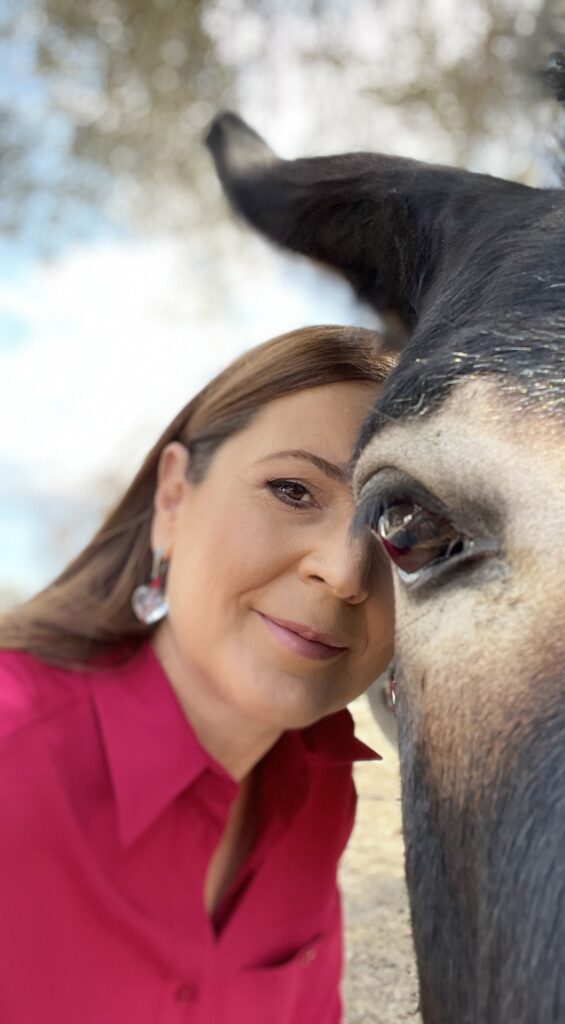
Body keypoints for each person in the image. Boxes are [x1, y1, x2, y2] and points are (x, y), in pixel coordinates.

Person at [0, 325, 396, 1024]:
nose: (343, 573)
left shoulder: (321, 790)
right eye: (293, 490)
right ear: (175, 497)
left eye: (403, 530)